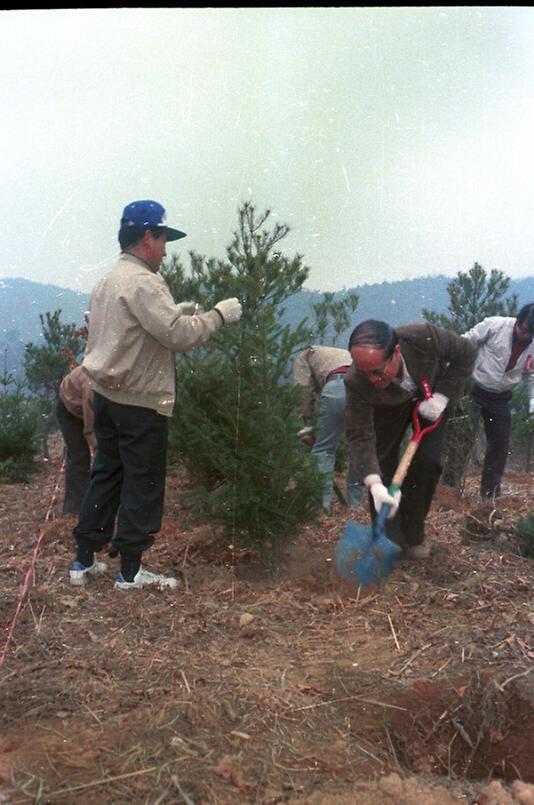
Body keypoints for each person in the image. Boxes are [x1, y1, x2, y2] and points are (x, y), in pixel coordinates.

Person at [70, 199, 242, 590]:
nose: (166, 249)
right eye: (164, 239)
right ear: (148, 236)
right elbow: (179, 337)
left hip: (105, 395)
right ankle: (130, 572)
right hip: (140, 401)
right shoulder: (146, 282)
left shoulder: (108, 279)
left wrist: (174, 311)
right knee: (142, 483)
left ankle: (82, 562)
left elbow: (126, 330)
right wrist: (217, 315)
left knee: (106, 475)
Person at [345, 319, 476, 559]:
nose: (372, 379)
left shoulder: (422, 337)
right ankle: (389, 539)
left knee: (427, 463)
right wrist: (374, 485)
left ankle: (414, 535)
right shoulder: (355, 380)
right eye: (364, 372)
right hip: (388, 408)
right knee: (382, 464)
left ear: (395, 353)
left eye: (377, 371)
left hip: (431, 402)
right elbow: (359, 434)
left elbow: (466, 353)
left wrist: (442, 397)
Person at [462, 304, 534, 499]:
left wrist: (532, 399)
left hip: (501, 396)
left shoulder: (532, 343)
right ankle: (452, 487)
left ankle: (490, 493)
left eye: (531, 335)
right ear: (518, 321)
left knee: (500, 444)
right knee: (462, 439)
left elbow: (530, 374)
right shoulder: (495, 325)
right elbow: (466, 341)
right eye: (524, 330)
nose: (526, 336)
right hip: (474, 389)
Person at [293, 345, 363, 512]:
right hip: (363, 389)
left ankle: (320, 508)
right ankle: (355, 505)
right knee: (359, 449)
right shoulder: (339, 354)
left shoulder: (303, 357)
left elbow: (302, 393)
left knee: (324, 449)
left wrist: (306, 427)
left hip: (338, 386)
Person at [55, 365, 95, 514]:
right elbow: (91, 429)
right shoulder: (92, 385)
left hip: (82, 402)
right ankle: (73, 508)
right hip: (68, 407)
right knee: (79, 456)